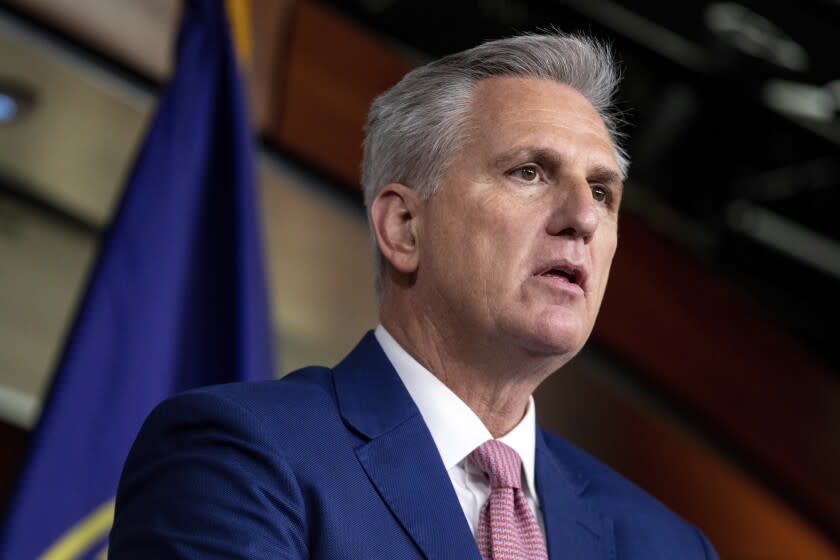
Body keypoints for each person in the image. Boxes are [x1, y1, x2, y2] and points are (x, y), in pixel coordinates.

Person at [109, 32, 718, 559]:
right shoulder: (239, 459)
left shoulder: (665, 546)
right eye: (529, 172)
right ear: (403, 227)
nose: (582, 217)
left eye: (603, 192)